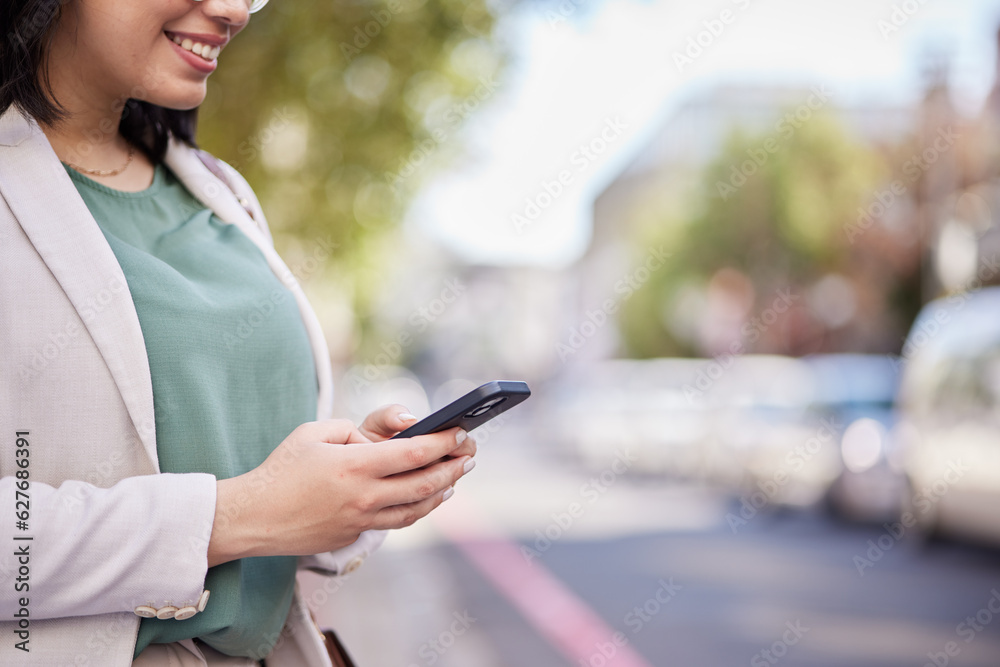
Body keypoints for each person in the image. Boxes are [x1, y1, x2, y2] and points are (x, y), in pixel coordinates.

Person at [0, 0, 477, 664]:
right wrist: (236, 516)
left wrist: (350, 486)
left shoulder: (220, 191)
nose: (232, 10)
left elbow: (255, 483)